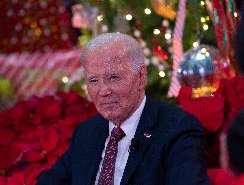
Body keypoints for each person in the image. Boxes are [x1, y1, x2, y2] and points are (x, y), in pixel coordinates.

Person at [37, 33, 210, 185]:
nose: (103, 91)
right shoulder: (87, 132)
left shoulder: (177, 128)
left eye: (113, 77)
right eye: (93, 81)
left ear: (141, 77)